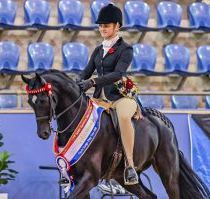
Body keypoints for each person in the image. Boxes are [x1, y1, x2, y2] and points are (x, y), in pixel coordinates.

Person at [76, 3, 140, 185]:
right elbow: (86, 72)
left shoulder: (125, 49)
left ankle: (130, 165)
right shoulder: (98, 50)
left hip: (120, 97)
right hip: (100, 99)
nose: (102, 29)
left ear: (117, 26)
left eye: (106, 25)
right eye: (101, 26)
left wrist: (93, 82)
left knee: (124, 117)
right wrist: (76, 82)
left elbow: (118, 74)